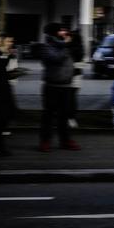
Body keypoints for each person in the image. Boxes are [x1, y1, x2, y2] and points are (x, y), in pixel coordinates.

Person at [39, 23, 81, 152]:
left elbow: (78, 54)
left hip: (66, 86)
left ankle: (65, 141)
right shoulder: (47, 46)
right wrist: (66, 45)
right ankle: (45, 142)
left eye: (65, 30)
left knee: (64, 116)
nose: (65, 32)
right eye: (62, 30)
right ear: (54, 33)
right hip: (52, 86)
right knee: (49, 116)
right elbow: (56, 58)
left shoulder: (65, 45)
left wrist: (74, 42)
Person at [66, 28, 85, 129]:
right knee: (72, 98)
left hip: (70, 76)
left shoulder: (69, 48)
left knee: (69, 98)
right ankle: (71, 118)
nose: (66, 38)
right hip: (76, 76)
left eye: (68, 36)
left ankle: (70, 118)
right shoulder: (80, 48)